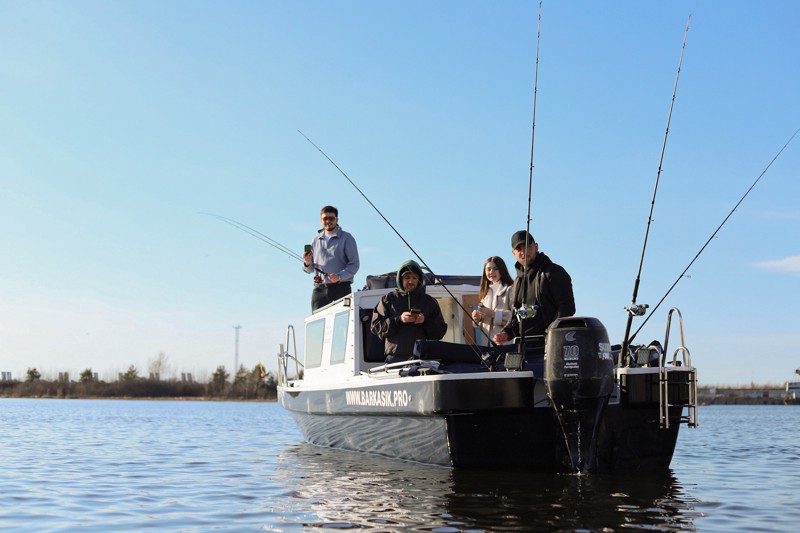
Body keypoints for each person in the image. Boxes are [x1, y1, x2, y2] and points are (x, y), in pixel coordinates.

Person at [493, 230, 575, 344]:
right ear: (513, 253)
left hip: (551, 347)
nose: (524, 252)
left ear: (536, 247)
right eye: (519, 249)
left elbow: (567, 308)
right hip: (523, 349)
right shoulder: (517, 282)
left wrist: (551, 333)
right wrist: (506, 333)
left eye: (528, 246)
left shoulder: (554, 272)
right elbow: (515, 316)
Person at [371, 260, 448, 360]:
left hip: (423, 359)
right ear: (400, 279)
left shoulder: (429, 301)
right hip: (395, 359)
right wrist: (399, 320)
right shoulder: (388, 300)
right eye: (407, 278)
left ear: (419, 279)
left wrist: (425, 321)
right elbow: (376, 327)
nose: (411, 281)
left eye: (414, 278)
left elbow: (440, 332)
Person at [303, 205, 360, 311]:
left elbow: (354, 264)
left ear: (337, 220)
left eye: (331, 218)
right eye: (325, 218)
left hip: (341, 289)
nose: (328, 221)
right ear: (321, 220)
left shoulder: (347, 238)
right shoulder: (315, 240)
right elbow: (310, 269)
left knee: (342, 325)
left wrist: (339, 276)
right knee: (317, 325)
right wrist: (306, 263)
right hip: (319, 291)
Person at [471, 256, 515, 345]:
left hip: (505, 345)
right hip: (487, 346)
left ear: (502, 270)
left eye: (495, 269)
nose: (491, 272)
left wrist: (494, 314)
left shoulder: (510, 289)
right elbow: (481, 325)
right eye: (488, 269)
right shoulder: (485, 294)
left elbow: (516, 317)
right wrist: (477, 319)